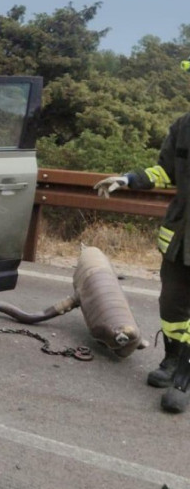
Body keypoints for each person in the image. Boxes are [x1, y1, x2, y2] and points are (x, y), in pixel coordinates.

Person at [94, 107, 190, 413]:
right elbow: (165, 171)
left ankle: (184, 379)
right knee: (172, 304)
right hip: (181, 236)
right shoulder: (183, 125)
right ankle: (174, 358)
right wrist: (127, 179)